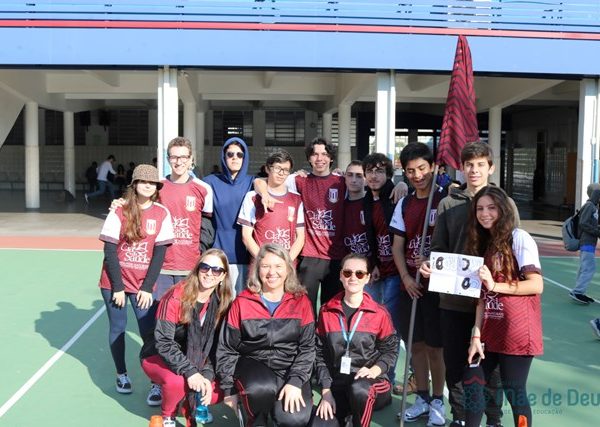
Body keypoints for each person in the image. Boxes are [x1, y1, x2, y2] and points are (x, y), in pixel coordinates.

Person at [420, 141, 517, 427]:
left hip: (493, 302)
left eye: (480, 164)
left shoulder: (506, 203)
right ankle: (460, 417)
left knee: (491, 367)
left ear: (491, 167)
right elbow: (439, 248)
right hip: (454, 301)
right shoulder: (448, 203)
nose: (474, 170)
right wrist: (429, 264)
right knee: (455, 363)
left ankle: (493, 419)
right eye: (469, 164)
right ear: (461, 168)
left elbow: (514, 249)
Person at [461, 186, 543, 427]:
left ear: (503, 210)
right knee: (472, 380)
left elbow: (536, 285)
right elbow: (481, 296)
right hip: (490, 329)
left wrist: (496, 285)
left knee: (514, 391)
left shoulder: (519, 237)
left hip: (516, 330)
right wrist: (476, 334)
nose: (484, 213)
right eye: (479, 209)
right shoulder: (484, 242)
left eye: (491, 208)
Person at [216, 243, 315, 427]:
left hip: (289, 366)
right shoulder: (242, 302)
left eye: (278, 266)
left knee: (295, 420)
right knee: (260, 389)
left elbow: (308, 347)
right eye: (265, 266)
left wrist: (295, 381)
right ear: (257, 270)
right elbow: (227, 348)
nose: (272, 272)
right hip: (253, 365)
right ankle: (256, 419)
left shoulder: (301, 302)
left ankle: (277, 409)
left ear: (288, 269)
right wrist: (228, 389)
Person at [98, 164, 174, 397]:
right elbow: (110, 251)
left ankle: (155, 382)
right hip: (114, 284)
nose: (147, 186)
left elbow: (159, 254)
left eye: (152, 183)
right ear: (135, 184)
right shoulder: (120, 210)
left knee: (148, 332)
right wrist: (118, 287)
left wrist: (147, 287)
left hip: (143, 285)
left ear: (157, 187)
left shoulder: (162, 213)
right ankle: (121, 374)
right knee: (118, 327)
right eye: (143, 181)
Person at [140, 249, 234, 427]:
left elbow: (216, 346)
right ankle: (168, 415)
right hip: (157, 355)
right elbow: (163, 342)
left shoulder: (222, 302)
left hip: (196, 357)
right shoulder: (176, 297)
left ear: (223, 276)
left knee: (217, 389)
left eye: (216, 270)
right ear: (197, 269)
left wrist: (206, 375)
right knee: (177, 381)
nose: (209, 273)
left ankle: (190, 403)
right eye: (205, 267)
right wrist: (190, 372)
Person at [389, 143, 446, 426]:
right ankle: (422, 397)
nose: (417, 175)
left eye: (422, 168)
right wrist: (406, 277)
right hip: (411, 286)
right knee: (417, 347)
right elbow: (397, 246)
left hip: (438, 287)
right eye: (411, 171)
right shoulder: (404, 204)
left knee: (436, 348)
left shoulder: (445, 199)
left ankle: (438, 400)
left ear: (433, 167)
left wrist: (435, 264)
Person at [312, 253, 398, 427]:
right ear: (340, 276)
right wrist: (326, 390)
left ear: (367, 278)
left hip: (371, 383)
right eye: (347, 273)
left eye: (359, 273)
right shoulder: (326, 311)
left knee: (359, 390)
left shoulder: (379, 313)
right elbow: (320, 353)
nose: (353, 277)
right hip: (338, 384)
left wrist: (374, 370)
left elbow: (390, 350)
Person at [361, 153, 402, 388]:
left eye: (379, 171)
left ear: (388, 174)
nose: (374, 176)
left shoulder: (397, 196)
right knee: (371, 324)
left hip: (397, 271)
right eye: (370, 171)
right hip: (376, 269)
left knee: (391, 326)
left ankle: (388, 376)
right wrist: (373, 263)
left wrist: (403, 184)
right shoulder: (366, 199)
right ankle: (372, 371)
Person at [203, 137, 255, 294]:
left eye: (240, 154)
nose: (235, 158)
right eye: (230, 154)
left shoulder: (254, 182)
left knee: (241, 303)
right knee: (218, 302)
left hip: (246, 252)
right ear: (224, 157)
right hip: (218, 253)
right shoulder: (209, 182)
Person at [238, 150, 305, 263]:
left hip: (287, 265)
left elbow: (300, 237)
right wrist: (264, 261)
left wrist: (286, 262)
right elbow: (246, 236)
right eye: (277, 168)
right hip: (260, 265)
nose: (281, 173)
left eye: (286, 170)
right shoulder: (252, 197)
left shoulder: (296, 199)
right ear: (267, 169)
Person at [568, 183, 600, 304]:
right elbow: (583, 223)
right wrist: (596, 231)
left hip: (589, 242)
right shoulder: (589, 206)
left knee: (584, 267)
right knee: (589, 268)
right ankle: (578, 291)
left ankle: (578, 291)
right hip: (586, 242)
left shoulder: (594, 207)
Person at [342, 161, 369, 257]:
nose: (353, 180)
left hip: (370, 261)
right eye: (350, 175)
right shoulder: (339, 205)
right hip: (345, 261)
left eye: (359, 176)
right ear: (345, 178)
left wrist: (401, 184)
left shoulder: (373, 203)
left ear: (366, 180)